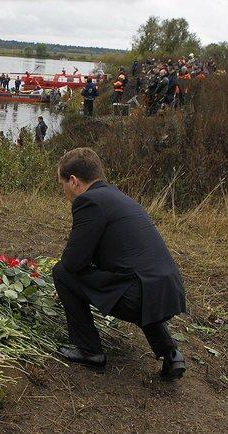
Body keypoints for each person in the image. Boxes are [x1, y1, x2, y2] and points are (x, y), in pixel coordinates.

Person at [52, 148, 186, 379]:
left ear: (73, 181)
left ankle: (90, 351)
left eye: (62, 184)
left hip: (139, 296)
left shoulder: (88, 201)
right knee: (132, 280)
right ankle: (171, 353)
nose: (63, 190)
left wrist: (71, 288)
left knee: (62, 273)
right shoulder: (119, 197)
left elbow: (73, 263)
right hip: (168, 292)